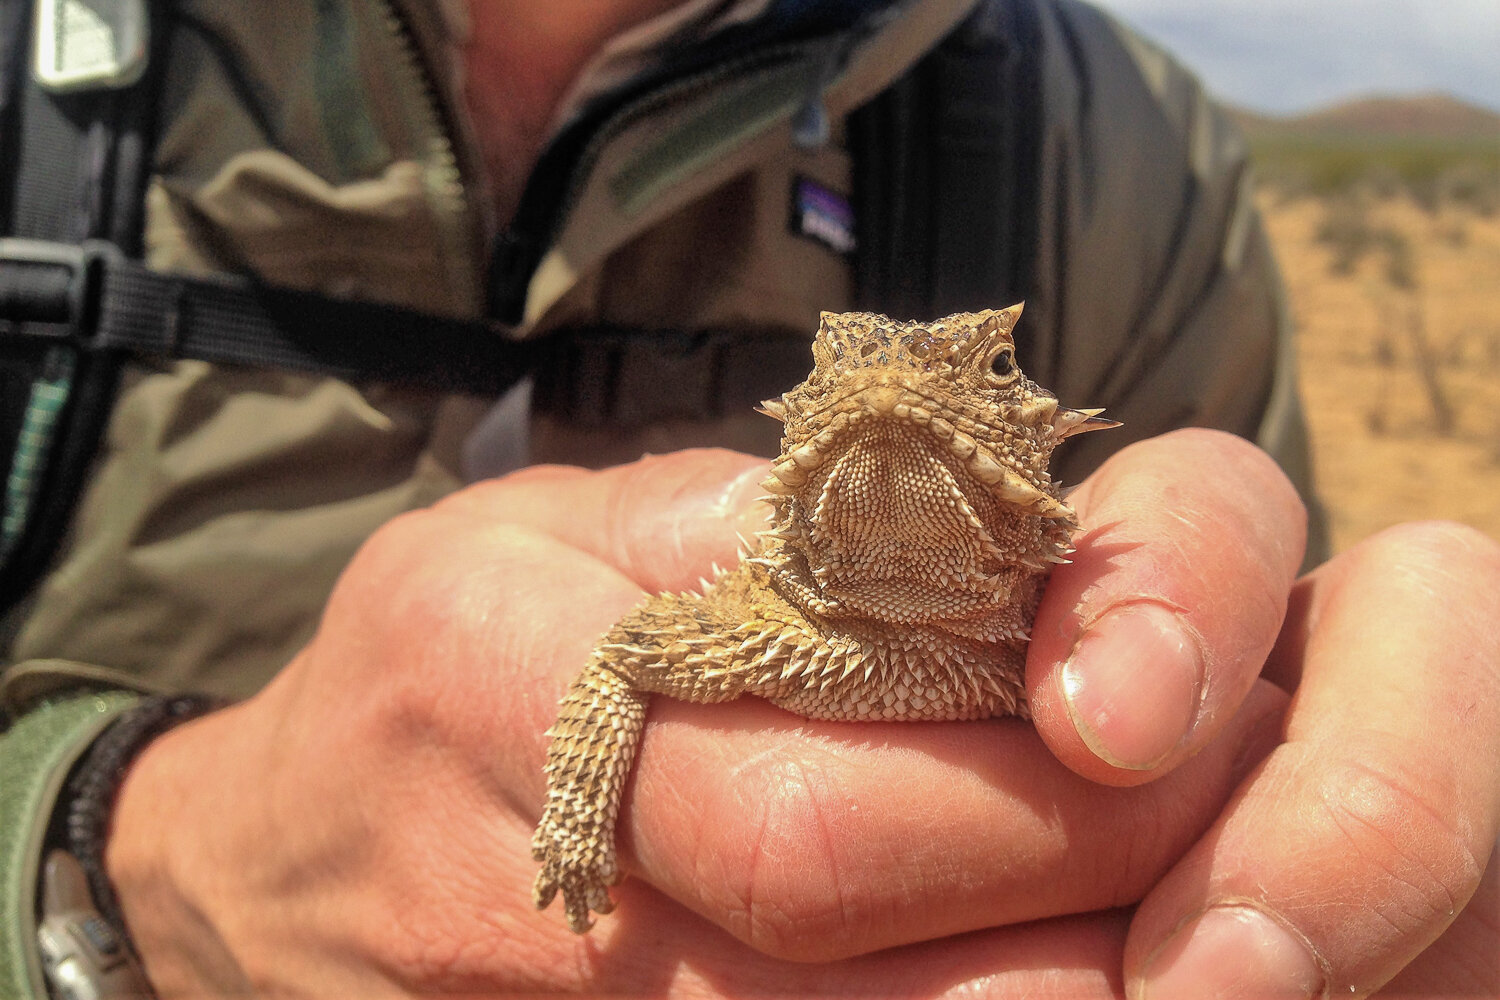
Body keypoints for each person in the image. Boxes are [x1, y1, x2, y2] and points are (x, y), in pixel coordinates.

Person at [2, 0, 1496, 996]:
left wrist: (1333, 810)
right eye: (853, 382)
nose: (901, 398)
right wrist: (102, 853)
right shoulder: (762, 627)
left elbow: (1293, 704)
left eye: (968, 380)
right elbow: (620, 668)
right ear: (804, 440)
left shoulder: (1117, 167)